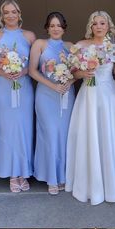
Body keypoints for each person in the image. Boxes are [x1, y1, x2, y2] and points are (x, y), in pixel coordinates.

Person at [65, 11, 115, 205]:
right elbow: (72, 74)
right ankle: (89, 185)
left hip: (108, 95)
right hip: (88, 96)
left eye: (102, 23)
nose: (99, 26)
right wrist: (84, 72)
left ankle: (114, 184)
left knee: (110, 135)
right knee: (88, 135)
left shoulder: (114, 47)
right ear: (91, 26)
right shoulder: (80, 46)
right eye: (95, 23)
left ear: (108, 26)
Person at [0, 0, 35, 193]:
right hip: (3, 87)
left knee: (23, 127)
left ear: (19, 13)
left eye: (14, 12)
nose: (11, 15)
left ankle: (23, 171)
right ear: (2, 15)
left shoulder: (29, 36)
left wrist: (23, 72)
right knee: (6, 128)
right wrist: (4, 73)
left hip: (24, 87)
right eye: (7, 12)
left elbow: (35, 63)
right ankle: (12, 173)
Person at [29, 12, 75, 195]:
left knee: (64, 134)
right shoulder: (39, 44)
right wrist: (53, 86)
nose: (55, 29)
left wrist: (68, 83)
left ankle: (63, 175)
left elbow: (78, 71)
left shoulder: (71, 47)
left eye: (59, 25)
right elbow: (32, 71)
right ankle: (51, 177)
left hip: (66, 94)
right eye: (52, 25)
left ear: (64, 27)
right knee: (49, 133)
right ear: (47, 28)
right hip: (46, 95)